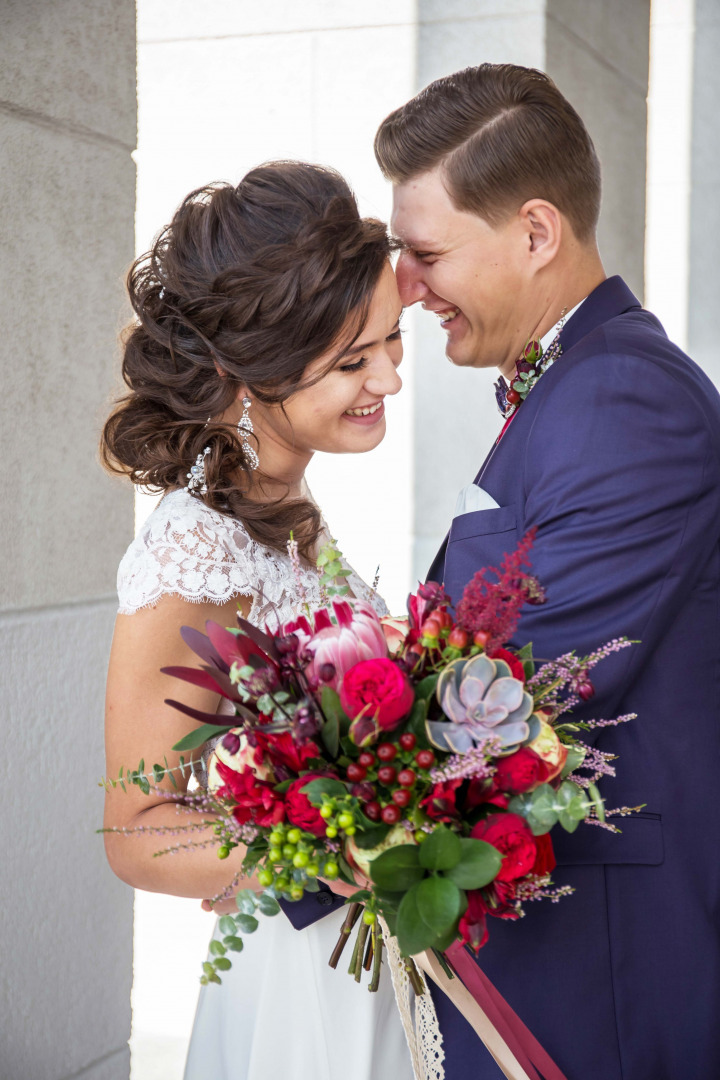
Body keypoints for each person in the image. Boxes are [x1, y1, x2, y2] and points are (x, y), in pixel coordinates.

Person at [368, 63, 720, 1079]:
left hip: (599, 976)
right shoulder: (583, 387)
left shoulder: (625, 406)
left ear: (534, 232)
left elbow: (509, 690)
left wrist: (294, 838)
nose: (408, 286)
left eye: (426, 253)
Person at [101, 161, 414, 1080]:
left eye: (393, 342)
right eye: (355, 361)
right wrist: (324, 848)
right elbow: (134, 827)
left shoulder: (279, 498)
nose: (389, 379)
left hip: (368, 958)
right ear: (249, 374)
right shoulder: (191, 553)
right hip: (301, 976)